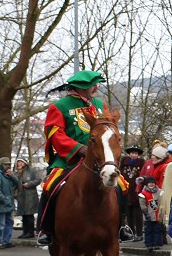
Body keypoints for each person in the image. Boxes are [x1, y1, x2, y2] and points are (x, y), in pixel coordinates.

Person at [38, 70, 107, 245]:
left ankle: (122, 227)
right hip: (69, 160)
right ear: (82, 87)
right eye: (93, 85)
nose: (96, 88)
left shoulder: (99, 105)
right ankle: (45, 229)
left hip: (99, 160)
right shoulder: (60, 106)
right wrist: (78, 148)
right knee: (50, 186)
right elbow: (56, 135)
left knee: (120, 184)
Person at [0, 156, 20, 249]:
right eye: (6, 164)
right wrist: (5, 200)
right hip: (1, 204)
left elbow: (17, 184)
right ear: (0, 165)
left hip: (7, 203)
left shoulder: (6, 175)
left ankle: (6, 241)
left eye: (9, 164)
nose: (8, 166)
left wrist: (12, 176)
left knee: (9, 223)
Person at [120, 146, 145, 240]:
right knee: (128, 213)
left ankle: (139, 233)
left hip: (136, 191)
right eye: (132, 153)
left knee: (137, 214)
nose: (133, 155)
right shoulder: (124, 162)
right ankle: (131, 232)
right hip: (126, 191)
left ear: (138, 155)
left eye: (135, 153)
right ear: (129, 154)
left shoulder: (141, 163)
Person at [14, 157, 42, 239]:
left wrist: (29, 184)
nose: (19, 164)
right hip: (21, 196)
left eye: (21, 162)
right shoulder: (17, 173)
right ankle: (25, 231)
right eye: (18, 162)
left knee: (29, 215)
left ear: (25, 163)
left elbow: (38, 180)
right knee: (23, 215)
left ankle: (30, 232)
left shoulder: (32, 170)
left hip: (30, 196)